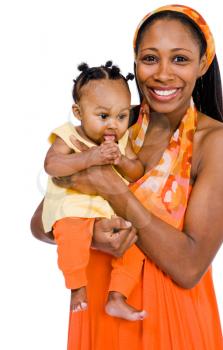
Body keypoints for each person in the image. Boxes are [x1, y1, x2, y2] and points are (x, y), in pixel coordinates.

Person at [31, 4, 223, 350]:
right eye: (150, 58)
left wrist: (110, 189)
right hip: (97, 309)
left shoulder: (214, 142)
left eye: (179, 59)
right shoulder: (115, 122)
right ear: (135, 62)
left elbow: (189, 266)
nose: (163, 74)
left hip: (167, 323)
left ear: (203, 63)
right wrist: (91, 234)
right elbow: (40, 223)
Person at [42, 61, 147, 320]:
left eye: (122, 116)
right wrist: (89, 158)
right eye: (103, 116)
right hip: (75, 205)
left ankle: (118, 296)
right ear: (78, 112)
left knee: (136, 243)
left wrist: (122, 160)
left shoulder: (122, 141)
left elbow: (137, 171)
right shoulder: (69, 136)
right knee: (71, 234)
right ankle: (77, 287)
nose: (113, 125)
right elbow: (51, 165)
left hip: (110, 207)